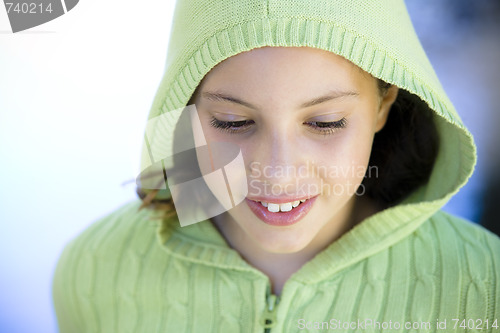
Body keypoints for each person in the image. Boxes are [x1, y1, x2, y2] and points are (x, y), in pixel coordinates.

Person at [52, 0, 500, 332]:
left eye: (326, 123)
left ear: (384, 103)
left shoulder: (483, 283)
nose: (279, 170)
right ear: (183, 107)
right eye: (234, 122)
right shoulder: (95, 270)